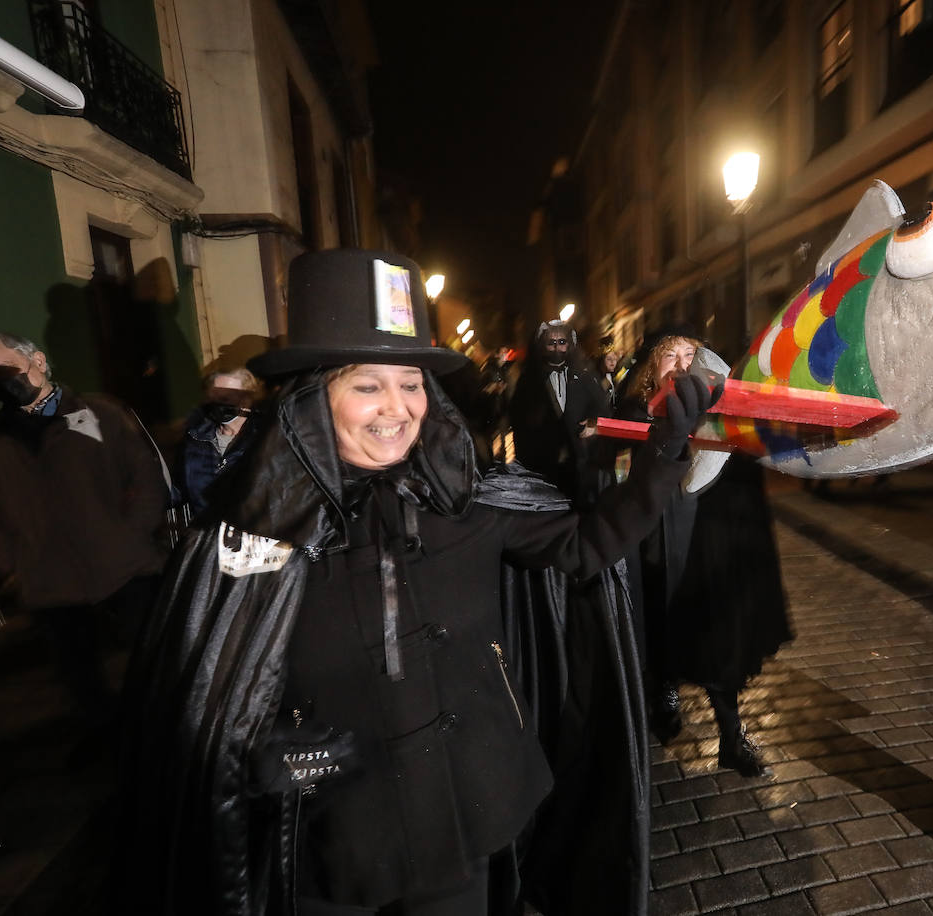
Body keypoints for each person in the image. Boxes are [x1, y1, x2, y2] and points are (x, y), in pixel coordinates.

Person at [118, 249, 716, 916]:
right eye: (367, 385)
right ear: (316, 397)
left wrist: (663, 456)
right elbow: (205, 701)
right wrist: (262, 759)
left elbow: (585, 547)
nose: (396, 408)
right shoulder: (251, 536)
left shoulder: (472, 502)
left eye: (411, 384)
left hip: (464, 819)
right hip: (331, 847)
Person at [0, 332, 167, 723]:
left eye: (7, 370)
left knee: (152, 660)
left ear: (38, 360)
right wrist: (11, 558)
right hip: (48, 579)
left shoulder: (101, 414)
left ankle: (164, 735)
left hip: (126, 569)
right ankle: (104, 736)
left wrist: (133, 535)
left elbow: (145, 475)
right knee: (80, 675)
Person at [613, 329, 792, 778]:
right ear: (652, 366)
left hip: (703, 541)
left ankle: (731, 735)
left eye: (689, 354)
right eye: (669, 354)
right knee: (661, 620)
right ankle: (665, 694)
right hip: (655, 541)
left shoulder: (717, 408)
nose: (679, 362)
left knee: (715, 638)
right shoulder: (634, 409)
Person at [507, 319, 609, 505]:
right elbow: (520, 424)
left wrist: (592, 427)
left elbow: (602, 412)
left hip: (581, 471)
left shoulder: (584, 375)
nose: (556, 348)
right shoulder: (529, 381)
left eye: (561, 342)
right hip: (542, 474)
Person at [174, 366, 264, 515]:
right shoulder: (195, 440)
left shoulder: (265, 437)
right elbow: (177, 490)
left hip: (256, 533)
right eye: (213, 397)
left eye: (226, 397)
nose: (218, 403)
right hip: (210, 533)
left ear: (247, 399)